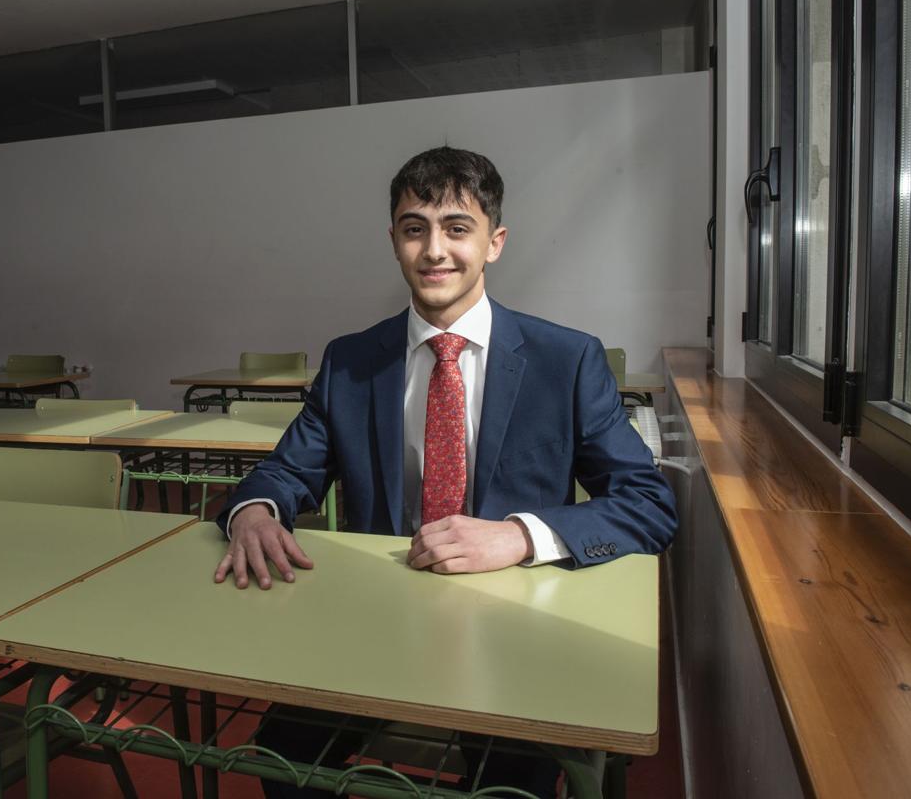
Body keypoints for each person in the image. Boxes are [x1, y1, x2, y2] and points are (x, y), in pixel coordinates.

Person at [212, 146, 677, 798]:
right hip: (375, 618)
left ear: (495, 242)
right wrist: (254, 511)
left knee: (515, 786)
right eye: (414, 228)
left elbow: (650, 506)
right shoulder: (351, 361)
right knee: (278, 761)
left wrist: (517, 535)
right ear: (395, 241)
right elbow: (288, 471)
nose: (435, 250)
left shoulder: (566, 360)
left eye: (457, 228)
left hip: (514, 625)